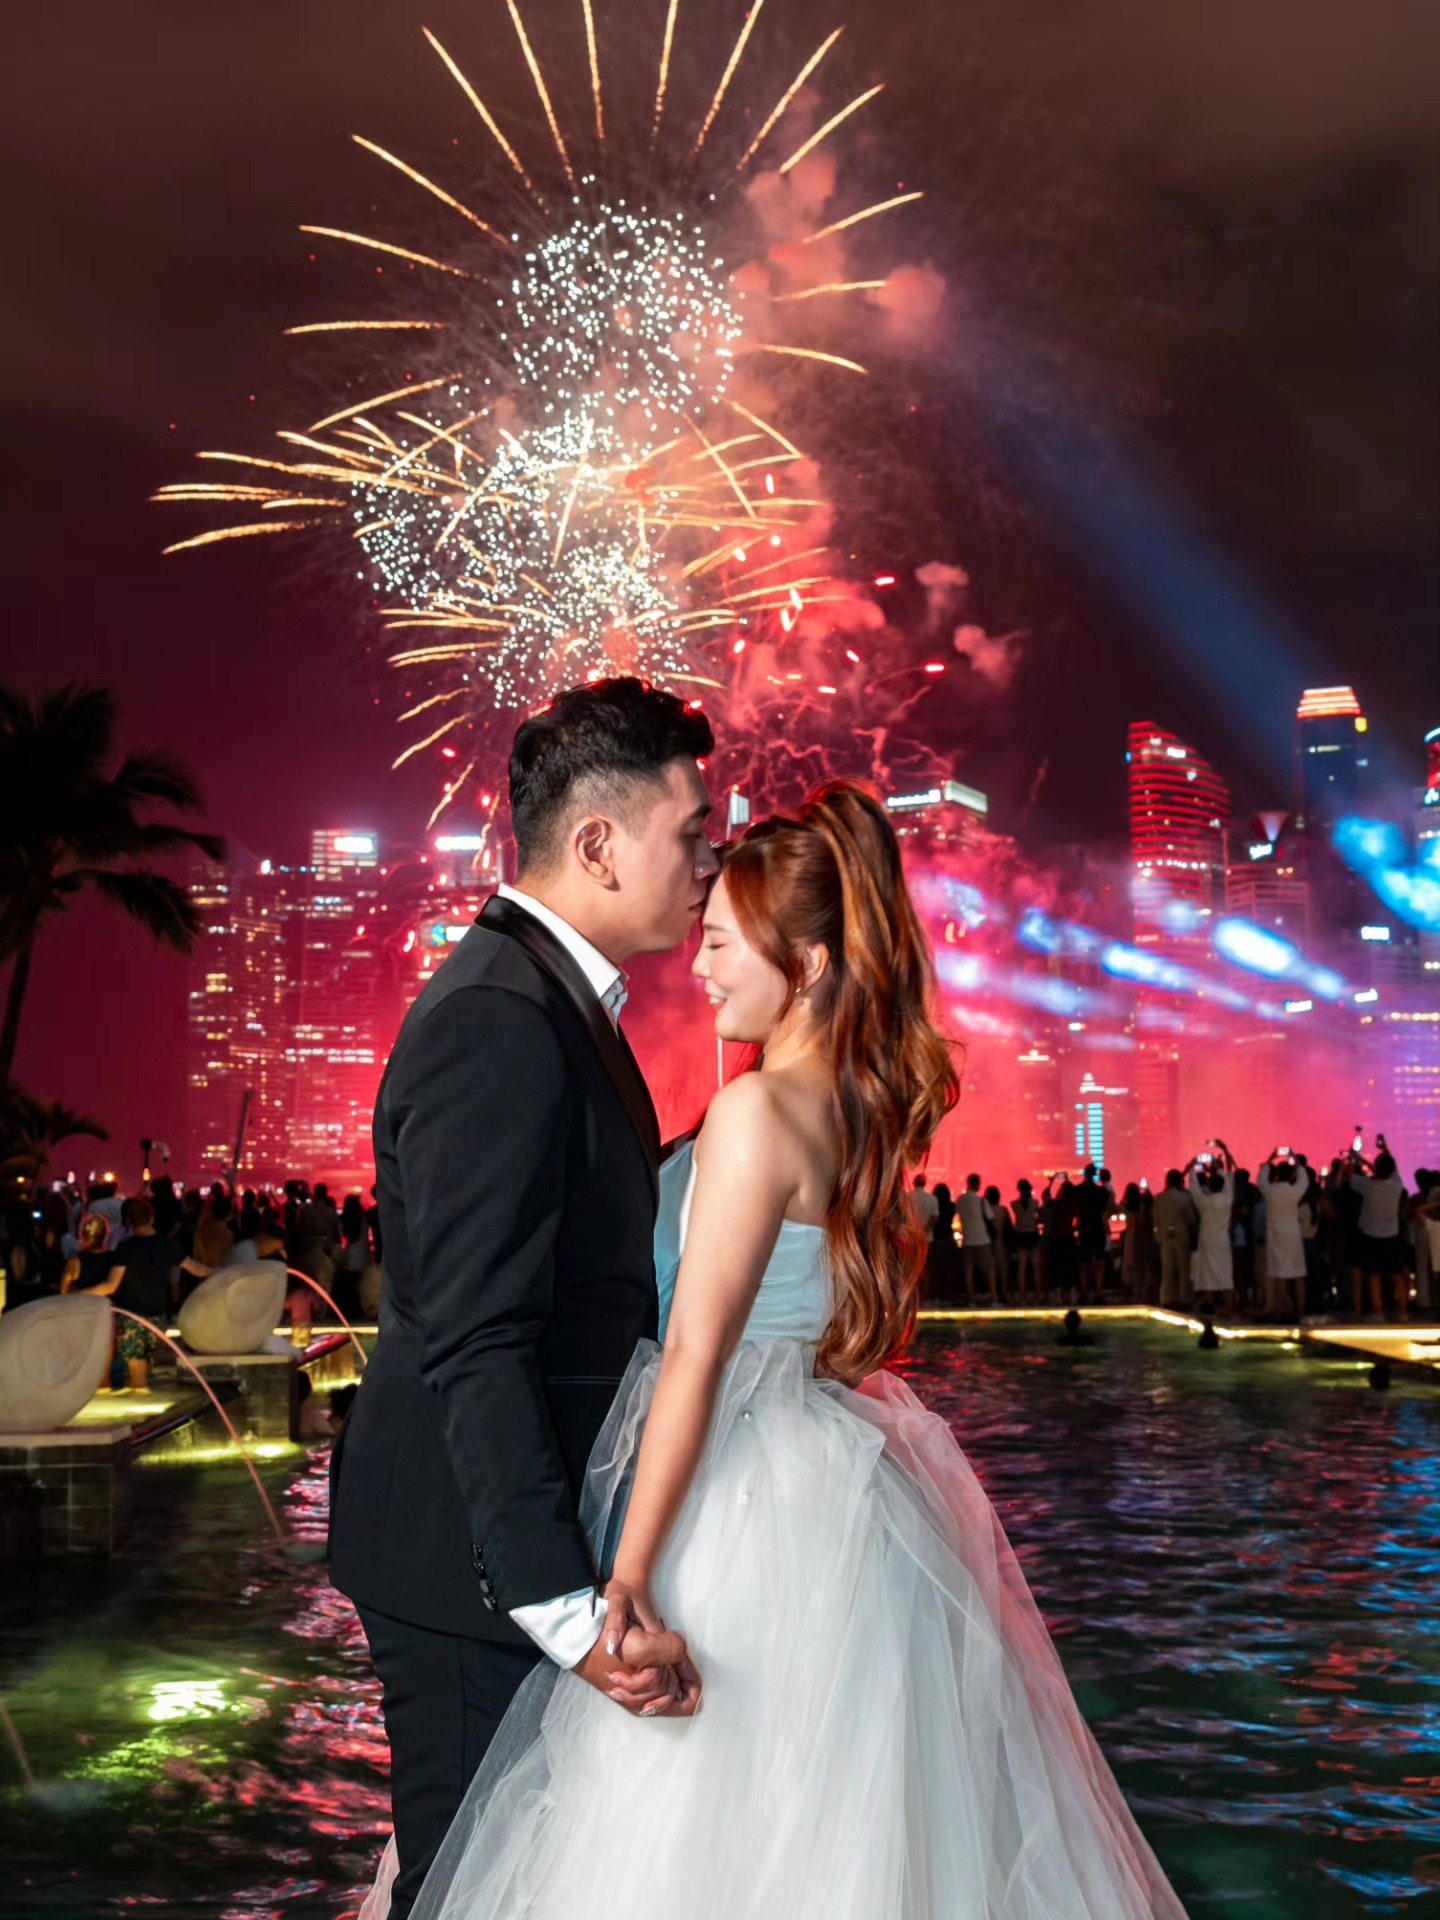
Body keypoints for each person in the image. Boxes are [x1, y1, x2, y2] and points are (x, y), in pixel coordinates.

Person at [371, 779, 1186, 1920]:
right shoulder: (853, 1114)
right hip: (831, 1495)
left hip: (733, 1499)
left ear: (799, 961)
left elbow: (697, 1359)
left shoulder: (756, 1114)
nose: (699, 967)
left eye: (720, 943)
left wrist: (631, 1574)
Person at [330, 679, 718, 1920]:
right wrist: (563, 1607)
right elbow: (475, 1334)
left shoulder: (551, 1002)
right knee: (461, 1895)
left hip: (508, 1554)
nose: (713, 858)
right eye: (692, 831)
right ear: (599, 843)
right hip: (465, 1569)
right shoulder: (500, 1017)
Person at [79, 1196, 179, 1390]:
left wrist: (82, 1293)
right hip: (158, 1316)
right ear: (151, 1218)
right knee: (146, 1375)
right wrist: (216, 1272)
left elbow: (110, 1285)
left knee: (138, 1385)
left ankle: (144, 1415)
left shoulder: (125, 1248)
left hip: (132, 1317)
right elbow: (192, 1267)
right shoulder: (165, 1245)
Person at [1350, 1141, 1409, 1320]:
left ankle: (1378, 1311)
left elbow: (1353, 1177)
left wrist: (1356, 1159)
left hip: (1370, 1234)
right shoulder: (1396, 1184)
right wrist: (1384, 1148)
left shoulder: (1368, 1186)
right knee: (1396, 1274)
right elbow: (1392, 1169)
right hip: (1392, 1233)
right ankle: (1403, 1311)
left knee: (1374, 1274)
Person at [1258, 1148, 1306, 1321]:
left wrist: (1271, 1157)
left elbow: (1261, 1178)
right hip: (1293, 1235)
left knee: (1279, 1275)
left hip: (1276, 1236)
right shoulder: (1295, 1191)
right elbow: (1304, 1178)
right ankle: (1300, 1312)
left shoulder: (1270, 1191)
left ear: (1276, 1175)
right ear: (1291, 1175)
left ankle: (1278, 1312)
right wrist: (1294, 1158)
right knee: (1298, 1274)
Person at [1188, 1140, 1235, 1314]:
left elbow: (1194, 1188)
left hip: (1207, 1238)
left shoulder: (1205, 1202)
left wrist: (1193, 1168)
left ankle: (1208, 1304)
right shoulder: (1228, 1199)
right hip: (1222, 1239)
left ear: (1208, 1185)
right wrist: (1224, 1149)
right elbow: (1228, 1178)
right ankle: (1228, 1306)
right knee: (1225, 1272)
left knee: (1207, 1272)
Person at [1153, 1170, 1196, 1309]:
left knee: (1167, 1269)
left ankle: (1167, 1298)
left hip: (1165, 1237)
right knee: (1184, 1269)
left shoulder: (1159, 1198)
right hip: (1182, 1236)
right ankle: (1184, 1298)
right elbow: (1191, 1218)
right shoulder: (1184, 1198)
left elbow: (1155, 1219)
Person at [1074, 1163, 1111, 1305]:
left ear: (1085, 1174)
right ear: (1095, 1174)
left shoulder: (1078, 1191)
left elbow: (1075, 1209)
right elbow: (1107, 1209)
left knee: (1084, 1263)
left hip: (1084, 1229)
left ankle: (1084, 1293)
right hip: (1098, 1229)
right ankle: (1098, 1293)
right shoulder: (1101, 1192)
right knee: (1099, 1263)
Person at [955, 1172, 995, 1300]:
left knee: (968, 1269)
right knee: (989, 1268)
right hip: (982, 1239)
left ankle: (970, 1296)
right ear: (977, 1184)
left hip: (967, 1239)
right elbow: (990, 1217)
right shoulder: (981, 1201)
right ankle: (993, 1295)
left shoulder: (960, 1200)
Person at [1012, 1176, 1042, 1302]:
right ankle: (1038, 1293)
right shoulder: (1035, 1203)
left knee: (1021, 1268)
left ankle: (1022, 1295)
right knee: (1036, 1267)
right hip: (1033, 1235)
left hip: (1020, 1235)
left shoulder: (1014, 1204)